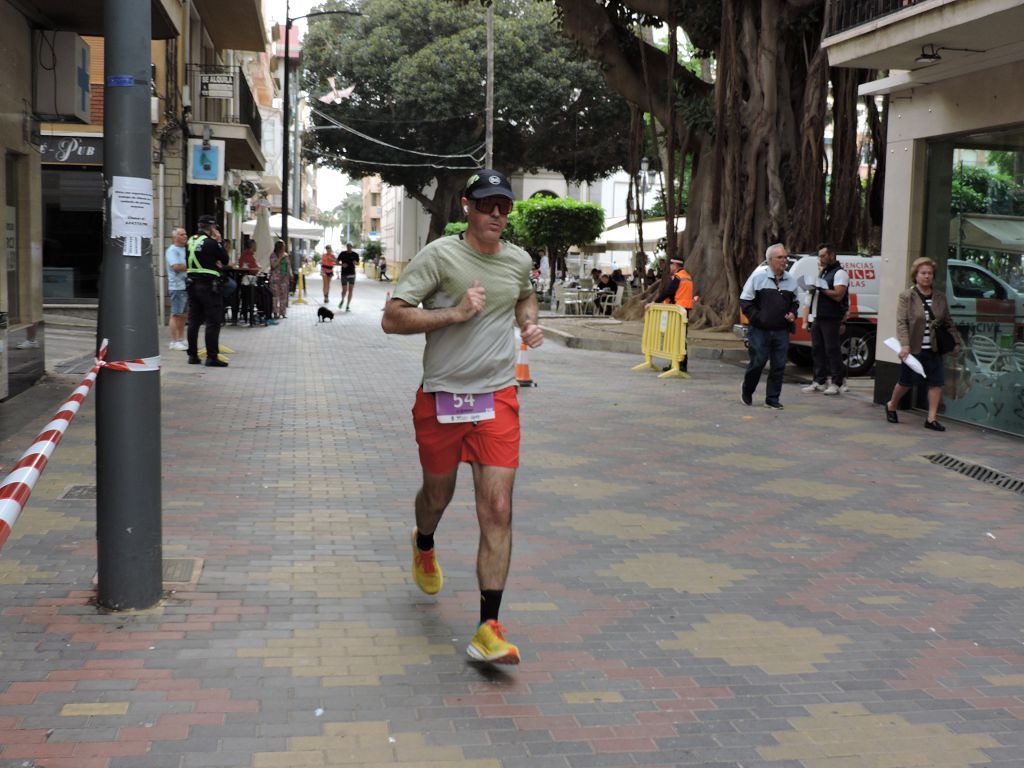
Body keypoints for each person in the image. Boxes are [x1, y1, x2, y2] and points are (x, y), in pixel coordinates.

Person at [381, 168, 543, 666]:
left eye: (505, 206)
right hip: (442, 398)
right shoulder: (440, 257)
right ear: (467, 207)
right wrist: (454, 313)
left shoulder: (517, 260)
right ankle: (424, 541)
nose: (497, 213)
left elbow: (522, 294)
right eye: (488, 204)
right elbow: (392, 317)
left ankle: (488, 628)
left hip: (496, 399)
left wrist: (530, 323)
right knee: (438, 494)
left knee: (497, 508)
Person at [884, 256, 961, 431]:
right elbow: (901, 322)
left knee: (937, 382)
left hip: (934, 348)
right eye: (923, 273)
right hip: (913, 349)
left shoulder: (940, 297)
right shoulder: (907, 296)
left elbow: (948, 321)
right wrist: (904, 345)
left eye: (930, 273)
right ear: (916, 275)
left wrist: (955, 341)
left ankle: (931, 418)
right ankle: (891, 405)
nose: (927, 276)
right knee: (906, 382)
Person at [740, 243, 798, 408]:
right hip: (759, 330)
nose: (784, 260)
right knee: (758, 362)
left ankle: (772, 399)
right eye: (780, 257)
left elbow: (795, 302)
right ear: (770, 260)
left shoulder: (790, 280)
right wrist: (759, 318)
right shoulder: (758, 277)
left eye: (785, 257)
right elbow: (745, 301)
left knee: (779, 365)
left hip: (781, 330)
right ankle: (747, 389)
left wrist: (793, 313)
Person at [802, 243, 850, 396]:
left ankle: (837, 382)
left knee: (832, 349)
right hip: (818, 316)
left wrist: (821, 288)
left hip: (831, 317)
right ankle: (820, 381)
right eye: (819, 256)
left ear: (832, 255)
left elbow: (838, 295)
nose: (821, 258)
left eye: (823, 255)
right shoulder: (824, 273)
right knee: (817, 350)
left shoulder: (839, 273)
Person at [185, 215, 229, 367]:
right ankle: (212, 357)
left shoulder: (190, 241)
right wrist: (219, 242)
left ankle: (192, 356)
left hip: (192, 285)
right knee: (213, 322)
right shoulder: (211, 243)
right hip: (209, 286)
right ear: (211, 227)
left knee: (194, 321)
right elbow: (225, 259)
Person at [653, 256, 699, 371]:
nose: (670, 267)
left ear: (676, 266)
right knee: (681, 338)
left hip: (678, 310)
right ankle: (680, 364)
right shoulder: (687, 276)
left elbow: (668, 292)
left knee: (676, 338)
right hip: (685, 310)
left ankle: (677, 364)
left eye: (671, 265)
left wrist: (655, 302)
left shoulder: (678, 277)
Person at [165, 226, 189, 351]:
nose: (185, 236)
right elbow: (176, 266)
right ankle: (173, 341)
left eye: (185, 234)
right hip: (177, 286)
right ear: (174, 237)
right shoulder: (172, 251)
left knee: (184, 314)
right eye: (181, 234)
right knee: (176, 314)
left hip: (186, 286)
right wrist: (190, 266)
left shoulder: (186, 250)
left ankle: (181, 338)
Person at [269, 240, 292, 320]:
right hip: (275, 279)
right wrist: (280, 258)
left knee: (284, 297)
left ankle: (283, 312)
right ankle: (275, 312)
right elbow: (273, 265)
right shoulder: (273, 255)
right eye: (282, 246)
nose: (283, 248)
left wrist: (290, 275)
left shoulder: (286, 255)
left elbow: (288, 266)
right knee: (275, 296)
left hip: (284, 279)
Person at [337, 243, 359, 310]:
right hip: (344, 274)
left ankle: (347, 305)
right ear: (346, 247)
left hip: (352, 273)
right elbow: (336, 262)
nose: (349, 247)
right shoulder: (342, 253)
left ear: (352, 247)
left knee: (350, 290)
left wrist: (356, 263)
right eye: (348, 246)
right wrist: (341, 264)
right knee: (344, 290)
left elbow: (358, 263)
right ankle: (343, 299)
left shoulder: (355, 254)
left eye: (350, 246)